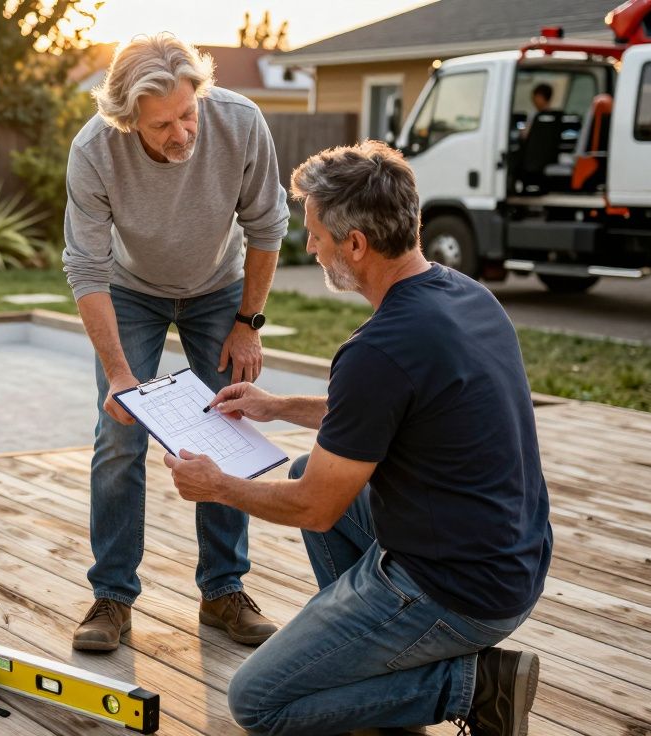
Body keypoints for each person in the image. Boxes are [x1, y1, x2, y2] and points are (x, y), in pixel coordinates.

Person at [163, 141, 552, 736]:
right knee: (299, 467)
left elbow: (317, 510)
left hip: (457, 592)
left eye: (316, 233)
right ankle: (373, 665)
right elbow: (394, 411)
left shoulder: (378, 350)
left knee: (258, 702)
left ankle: (473, 687)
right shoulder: (465, 296)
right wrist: (278, 406)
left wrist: (217, 486)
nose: (310, 245)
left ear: (355, 244)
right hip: (511, 560)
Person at [62, 33, 289, 651]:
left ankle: (223, 592)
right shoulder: (94, 150)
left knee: (225, 426)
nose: (182, 133)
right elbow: (85, 267)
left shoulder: (240, 122)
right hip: (131, 290)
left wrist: (249, 321)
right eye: (162, 125)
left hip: (220, 288)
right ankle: (112, 596)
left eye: (188, 114)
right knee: (119, 434)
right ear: (126, 119)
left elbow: (267, 224)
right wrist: (117, 374)